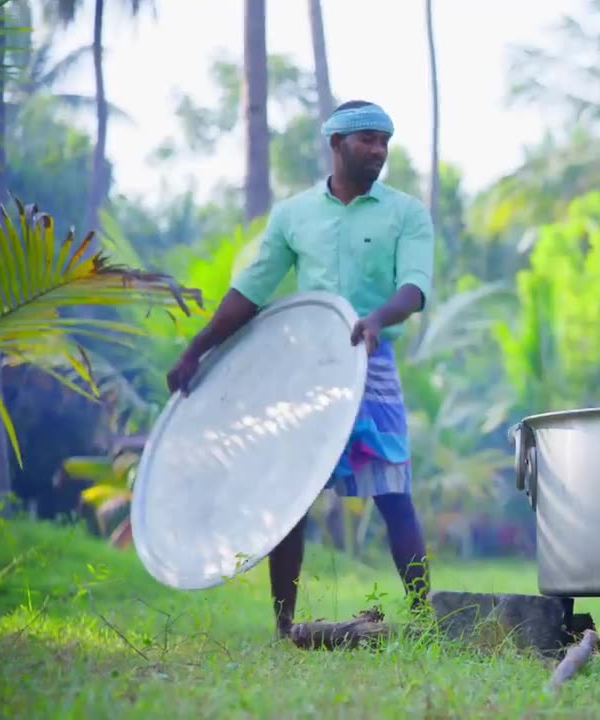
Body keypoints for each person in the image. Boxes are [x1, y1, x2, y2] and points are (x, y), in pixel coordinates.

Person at [165, 100, 435, 638]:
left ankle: (426, 619)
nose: (379, 150)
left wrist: (378, 318)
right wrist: (197, 348)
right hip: (308, 373)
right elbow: (253, 289)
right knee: (288, 497)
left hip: (373, 364)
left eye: (385, 140)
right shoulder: (294, 215)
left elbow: (415, 288)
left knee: (394, 494)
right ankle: (284, 626)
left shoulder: (406, 212)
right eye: (366, 140)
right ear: (336, 144)